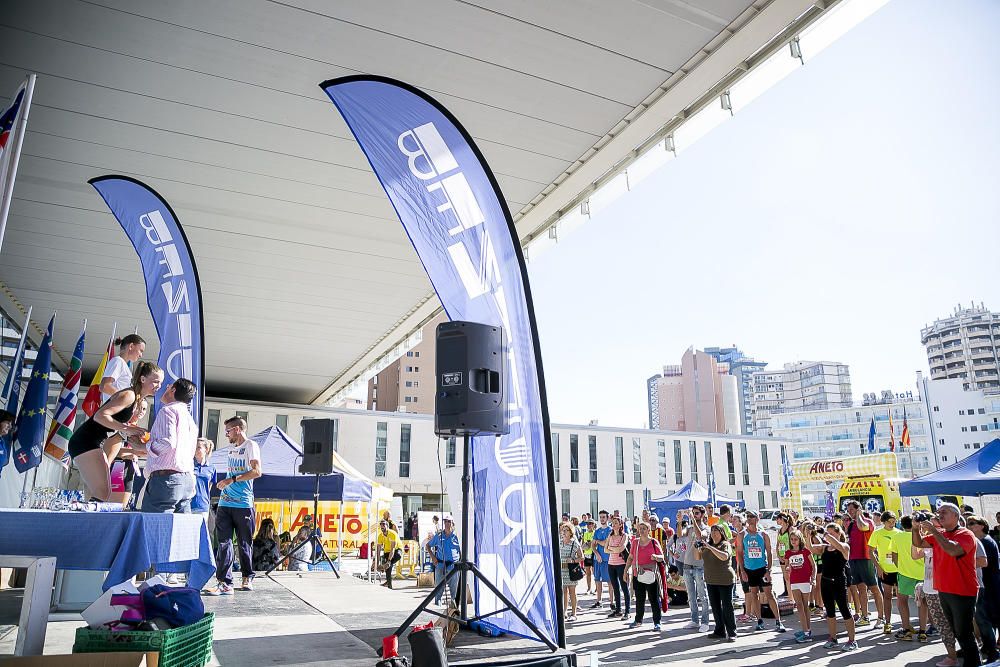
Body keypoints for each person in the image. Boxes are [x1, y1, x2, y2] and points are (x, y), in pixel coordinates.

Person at [68, 361, 160, 501]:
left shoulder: (136, 399)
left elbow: (116, 427)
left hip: (93, 442)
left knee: (102, 493)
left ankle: (88, 516)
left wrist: (133, 436)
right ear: (142, 379)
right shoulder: (129, 395)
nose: (158, 386)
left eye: (160, 383)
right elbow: (100, 416)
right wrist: (127, 428)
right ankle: (85, 519)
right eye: (155, 382)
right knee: (102, 492)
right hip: (85, 442)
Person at [913, 503, 981, 667]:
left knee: (964, 632)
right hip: (944, 590)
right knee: (957, 631)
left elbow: (953, 550)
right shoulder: (941, 534)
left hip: (963, 591)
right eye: (939, 512)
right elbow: (919, 544)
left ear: (956, 516)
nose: (940, 515)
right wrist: (915, 528)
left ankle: (974, 663)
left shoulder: (965, 534)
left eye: (944, 512)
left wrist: (935, 531)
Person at [206, 416, 262, 595]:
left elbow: (256, 472)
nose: (226, 434)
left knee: (244, 543)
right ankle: (224, 582)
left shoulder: (250, 446)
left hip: (243, 503)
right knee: (223, 542)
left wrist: (232, 479)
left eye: (228, 431)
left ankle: (247, 577)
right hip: (225, 502)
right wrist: (225, 483)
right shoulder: (231, 450)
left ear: (238, 429)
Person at [139, 379, 198, 513]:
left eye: (168, 386)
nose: (164, 389)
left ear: (173, 390)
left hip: (165, 480)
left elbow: (167, 443)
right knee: (180, 531)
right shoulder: (189, 419)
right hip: (186, 480)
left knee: (156, 528)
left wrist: (142, 446)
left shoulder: (168, 411)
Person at [918, 516, 959, 665]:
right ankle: (951, 656)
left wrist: (934, 532)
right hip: (930, 588)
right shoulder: (930, 542)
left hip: (947, 588)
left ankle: (969, 651)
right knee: (941, 623)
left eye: (935, 526)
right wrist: (916, 530)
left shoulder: (950, 540)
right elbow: (915, 552)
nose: (931, 528)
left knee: (957, 623)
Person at [736, 510, 785, 632]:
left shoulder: (764, 534)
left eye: (752, 516)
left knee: (769, 594)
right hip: (749, 569)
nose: (749, 518)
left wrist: (769, 570)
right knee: (754, 594)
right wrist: (742, 571)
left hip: (762, 569)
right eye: (747, 516)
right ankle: (759, 621)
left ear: (757, 519)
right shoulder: (742, 534)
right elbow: (739, 554)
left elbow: (769, 552)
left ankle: (778, 621)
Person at [815, 522, 857, 651]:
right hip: (826, 582)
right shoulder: (825, 547)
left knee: (845, 610)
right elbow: (810, 547)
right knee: (830, 611)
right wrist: (807, 533)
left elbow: (837, 545)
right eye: (828, 534)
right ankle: (833, 638)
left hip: (839, 581)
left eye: (832, 533)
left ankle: (852, 640)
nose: (828, 537)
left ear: (839, 533)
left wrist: (825, 534)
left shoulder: (844, 547)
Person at [844, 500, 883, 628]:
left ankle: (881, 618)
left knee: (874, 589)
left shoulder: (867, 521)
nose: (850, 512)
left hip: (866, 559)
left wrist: (859, 515)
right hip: (853, 559)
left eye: (852, 510)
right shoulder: (851, 524)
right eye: (848, 510)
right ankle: (864, 616)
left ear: (858, 509)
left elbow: (863, 527)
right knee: (861, 589)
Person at [967, 516, 999, 663]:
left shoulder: (985, 541)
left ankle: (992, 650)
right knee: (986, 619)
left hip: (989, 585)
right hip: (987, 584)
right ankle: (989, 647)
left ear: (982, 526)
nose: (969, 526)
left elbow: (983, 563)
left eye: (972, 524)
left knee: (986, 619)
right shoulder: (983, 540)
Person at [889, 515, 924, 641]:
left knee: (902, 601)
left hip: (904, 573)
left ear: (902, 525)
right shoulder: (921, 536)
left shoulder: (897, 537)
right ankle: (923, 631)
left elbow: (894, 556)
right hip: (922, 573)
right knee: (922, 603)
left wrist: (900, 567)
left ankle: (906, 630)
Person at [626, 521, 666, 631]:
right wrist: (625, 571)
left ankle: (657, 622)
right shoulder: (635, 542)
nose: (642, 530)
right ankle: (638, 620)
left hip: (651, 574)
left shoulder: (654, 542)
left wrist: (655, 557)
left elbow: (661, 557)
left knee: (654, 599)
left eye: (644, 528)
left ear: (649, 530)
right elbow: (630, 557)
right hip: (637, 574)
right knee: (639, 599)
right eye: (640, 528)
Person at [700, 524, 738, 641]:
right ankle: (719, 630)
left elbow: (724, 557)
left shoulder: (725, 544)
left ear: (722, 533)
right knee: (715, 607)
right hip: (711, 580)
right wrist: (696, 547)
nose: (714, 533)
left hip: (725, 580)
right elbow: (697, 557)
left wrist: (710, 547)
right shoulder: (708, 545)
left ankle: (732, 632)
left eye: (716, 531)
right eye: (712, 531)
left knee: (727, 606)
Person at [869, 510, 901, 634]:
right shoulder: (877, 533)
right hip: (885, 570)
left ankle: (904, 624)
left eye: (894, 522)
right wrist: (878, 566)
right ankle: (887, 623)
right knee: (887, 596)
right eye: (890, 522)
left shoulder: (899, 533)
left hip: (899, 570)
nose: (892, 524)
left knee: (900, 598)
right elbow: (870, 551)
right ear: (884, 522)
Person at [680, 505, 710, 632]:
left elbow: (699, 536)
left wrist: (692, 519)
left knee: (702, 595)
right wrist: (679, 520)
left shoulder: (706, 529)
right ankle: (694, 620)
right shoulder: (690, 527)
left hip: (699, 566)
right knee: (691, 596)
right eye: (693, 513)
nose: (694, 515)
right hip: (687, 564)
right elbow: (680, 534)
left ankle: (705, 622)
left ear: (702, 515)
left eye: (697, 513)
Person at [786, 528, 816, 643]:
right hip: (794, 581)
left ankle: (806, 632)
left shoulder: (806, 551)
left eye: (795, 539)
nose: (793, 541)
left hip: (805, 581)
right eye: (792, 539)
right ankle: (806, 630)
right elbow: (787, 566)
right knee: (799, 606)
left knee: (805, 605)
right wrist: (788, 569)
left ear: (800, 540)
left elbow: (813, 565)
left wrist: (813, 578)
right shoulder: (788, 553)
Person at [427, 516, 461, 605]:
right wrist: (433, 557)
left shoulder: (458, 536)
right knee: (439, 588)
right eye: (445, 521)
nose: (447, 523)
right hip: (440, 565)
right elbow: (428, 545)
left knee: (454, 589)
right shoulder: (439, 536)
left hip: (454, 566)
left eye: (449, 521)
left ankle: (454, 607)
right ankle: (438, 605)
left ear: (452, 523)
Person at [605, 516, 631, 620]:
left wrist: (611, 548)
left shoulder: (624, 535)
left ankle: (627, 611)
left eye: (616, 523)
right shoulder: (610, 536)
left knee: (624, 588)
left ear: (620, 525)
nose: (614, 525)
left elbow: (622, 548)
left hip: (621, 564)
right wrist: (614, 549)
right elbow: (605, 550)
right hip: (611, 564)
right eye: (613, 523)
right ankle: (618, 610)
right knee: (615, 588)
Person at [558, 521, 583, 622]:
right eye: (563, 530)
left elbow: (582, 557)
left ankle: (574, 613)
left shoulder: (575, 543)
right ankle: (564, 612)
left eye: (566, 530)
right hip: (561, 570)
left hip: (571, 570)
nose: (564, 532)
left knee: (572, 592)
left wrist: (573, 560)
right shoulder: (559, 542)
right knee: (563, 592)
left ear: (571, 532)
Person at [191, 438, 216, 522]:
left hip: (203, 506)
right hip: (188, 504)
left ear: (206, 449)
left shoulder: (212, 468)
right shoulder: (188, 465)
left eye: (198, 447)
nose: (195, 450)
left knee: (200, 533)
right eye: (194, 447)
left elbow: (208, 488)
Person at [591, 510, 612, 610]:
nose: (602, 519)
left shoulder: (610, 530)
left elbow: (605, 543)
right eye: (600, 517)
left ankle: (612, 602)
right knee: (597, 581)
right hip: (597, 559)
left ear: (607, 518)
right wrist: (596, 554)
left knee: (609, 581)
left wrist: (597, 541)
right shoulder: (597, 531)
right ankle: (598, 601)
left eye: (604, 517)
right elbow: (592, 545)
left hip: (607, 559)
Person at [377, 520, 403, 588]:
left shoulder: (392, 534)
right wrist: (377, 562)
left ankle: (385, 567)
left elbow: (393, 549)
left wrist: (388, 562)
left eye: (383, 525)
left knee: (397, 556)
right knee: (388, 568)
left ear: (387, 526)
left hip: (397, 549)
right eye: (381, 525)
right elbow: (378, 550)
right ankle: (389, 585)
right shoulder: (380, 536)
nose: (382, 526)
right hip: (387, 551)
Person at [775, 513, 792, 598]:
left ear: (782, 519)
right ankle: (790, 597)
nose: (776, 521)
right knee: (786, 578)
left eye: (777, 519)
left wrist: (788, 556)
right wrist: (778, 555)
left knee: (790, 577)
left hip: (789, 556)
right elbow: (777, 544)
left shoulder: (790, 529)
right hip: (782, 555)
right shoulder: (779, 530)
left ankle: (793, 597)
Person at [582, 520, 596, 594]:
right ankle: (589, 588)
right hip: (586, 554)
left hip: (593, 553)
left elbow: (593, 543)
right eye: (588, 524)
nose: (589, 525)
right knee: (588, 572)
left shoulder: (595, 533)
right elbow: (584, 543)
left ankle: (597, 588)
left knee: (594, 572)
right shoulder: (585, 533)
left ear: (593, 525)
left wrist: (589, 543)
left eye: (590, 524)